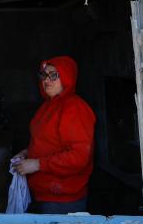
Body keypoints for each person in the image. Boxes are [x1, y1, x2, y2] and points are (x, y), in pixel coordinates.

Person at [12, 56, 96, 214]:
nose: (47, 80)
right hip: (44, 193)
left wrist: (37, 164)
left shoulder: (74, 108)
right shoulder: (49, 105)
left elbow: (78, 157)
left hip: (63, 200)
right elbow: (47, 142)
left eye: (54, 75)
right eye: (44, 75)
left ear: (67, 77)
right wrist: (26, 153)